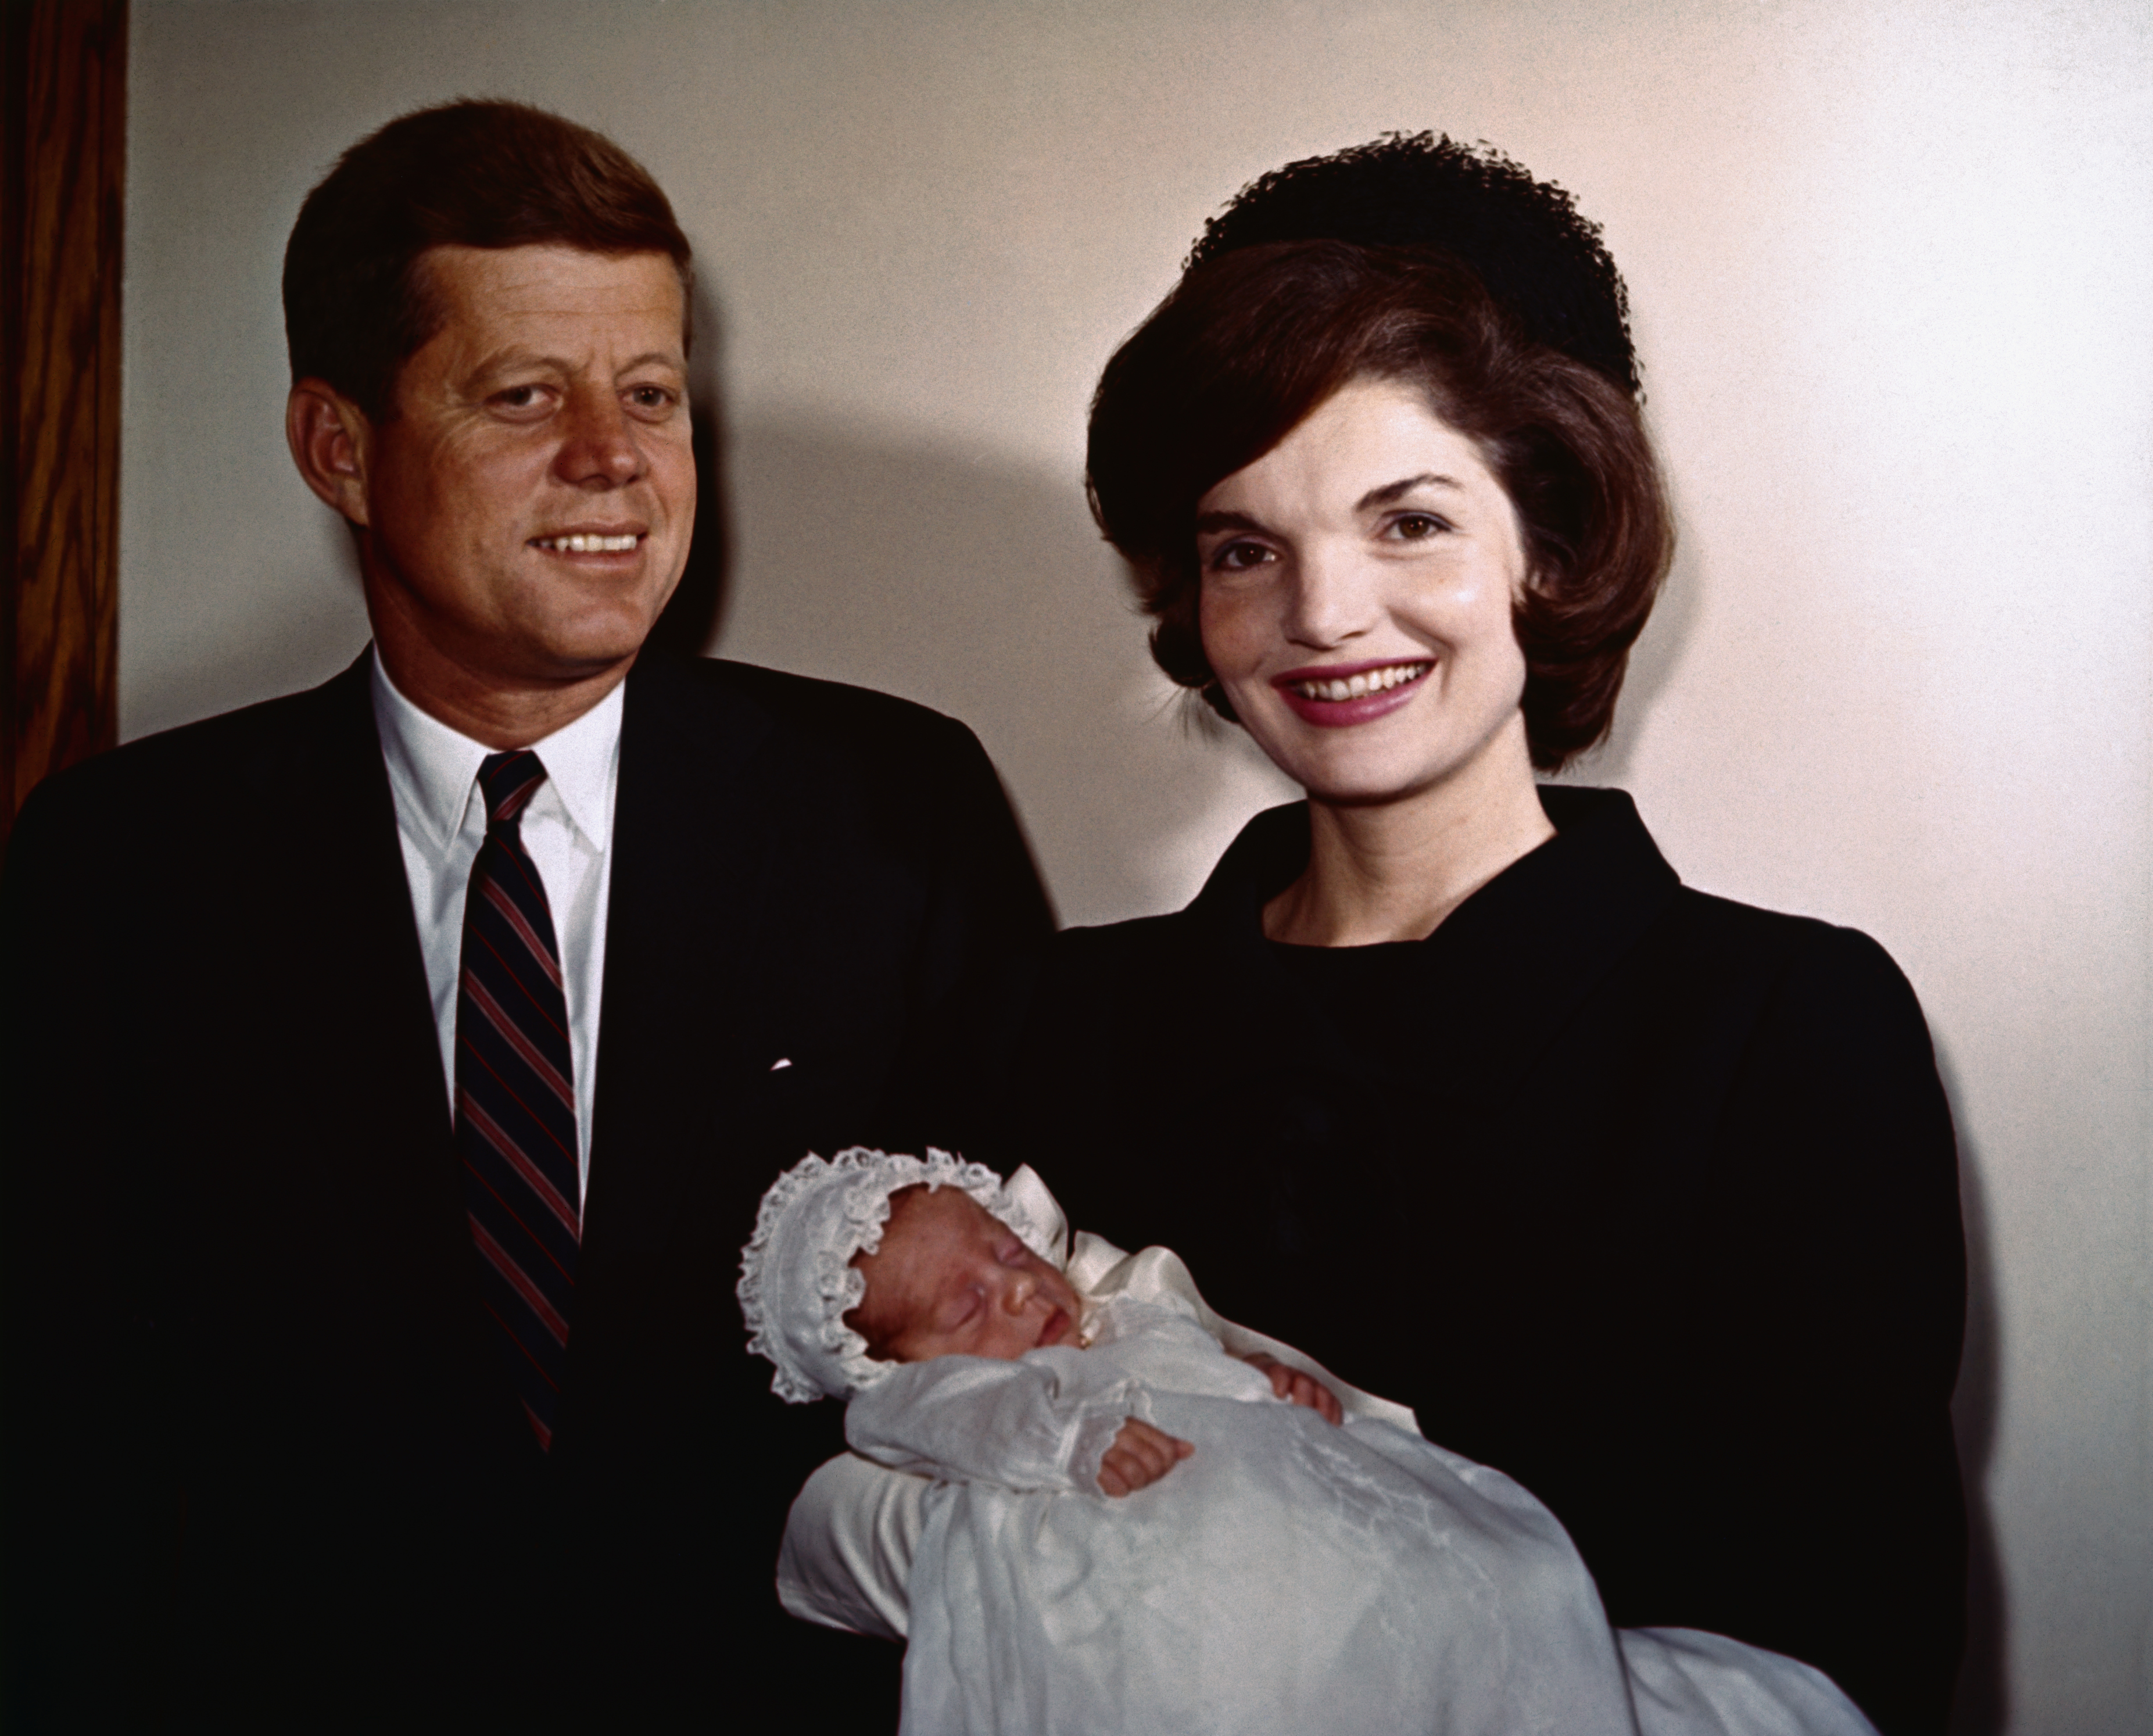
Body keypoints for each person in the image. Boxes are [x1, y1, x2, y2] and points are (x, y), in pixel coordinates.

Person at [0, 101, 1050, 1727]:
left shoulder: (893, 813)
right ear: (339, 446)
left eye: (648, 393)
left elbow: (1032, 1365)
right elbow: (57, 1452)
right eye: (522, 395)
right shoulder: (117, 868)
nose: (612, 458)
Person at [1001, 137, 1964, 1732]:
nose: (1322, 615)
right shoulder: (1062, 1018)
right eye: (1248, 546)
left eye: (1409, 521)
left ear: (1556, 538)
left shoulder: (1784, 1028)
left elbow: (1847, 1653)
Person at [743, 1148, 1882, 1736]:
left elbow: (1218, 1353)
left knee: (1494, 1580)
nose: (1015, 1288)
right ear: (895, 1366)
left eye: (1004, 1251)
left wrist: (1266, 1374)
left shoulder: (1126, 1304)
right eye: (964, 1308)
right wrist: (1070, 1434)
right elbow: (946, 1424)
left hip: (1303, 1509)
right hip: (1152, 1579)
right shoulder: (917, 1410)